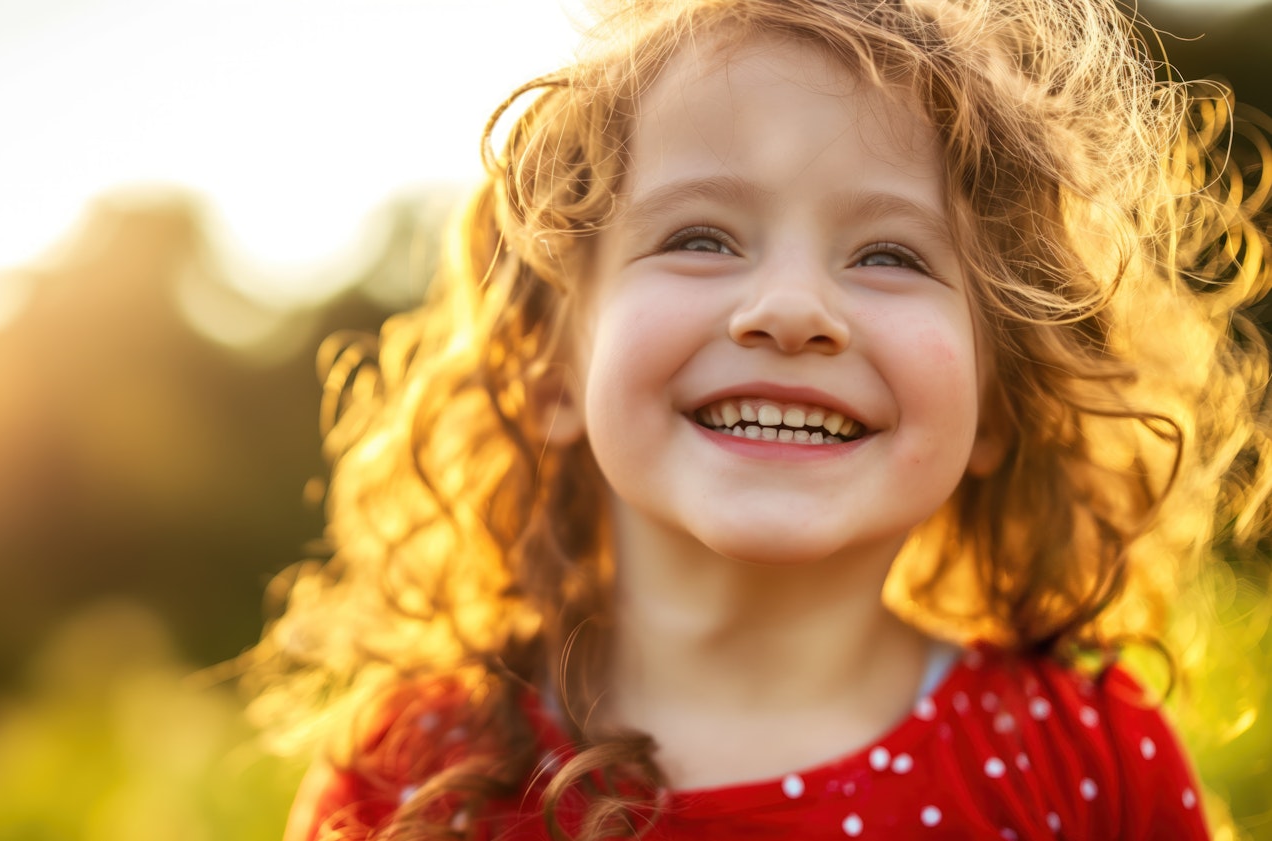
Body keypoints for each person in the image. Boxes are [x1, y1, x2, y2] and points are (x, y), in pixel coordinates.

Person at [248, 0, 1272, 838]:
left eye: (890, 255)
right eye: (700, 236)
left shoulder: (1082, 763)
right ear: (552, 368)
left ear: (1003, 395)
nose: (789, 309)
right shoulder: (420, 769)